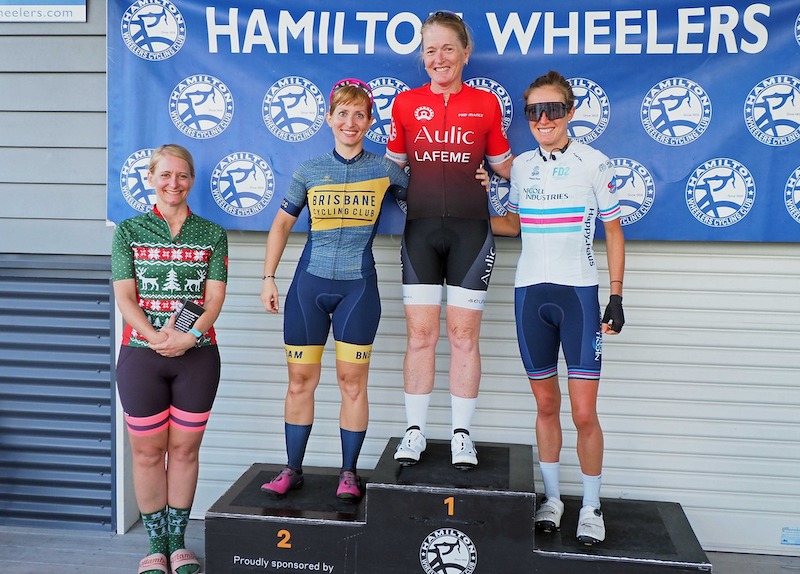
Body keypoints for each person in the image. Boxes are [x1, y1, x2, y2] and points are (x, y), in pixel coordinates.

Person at [490, 70, 625, 545]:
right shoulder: (521, 166)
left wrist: (616, 295)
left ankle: (591, 506)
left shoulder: (594, 163)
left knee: (584, 413)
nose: (543, 119)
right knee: (546, 405)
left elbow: (613, 231)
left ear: (570, 112)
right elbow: (512, 225)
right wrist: (465, 203)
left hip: (579, 297)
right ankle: (552, 499)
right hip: (530, 295)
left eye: (552, 110)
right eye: (534, 111)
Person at [260, 78, 408, 501]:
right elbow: (282, 224)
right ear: (329, 118)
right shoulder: (308, 170)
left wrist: (473, 181)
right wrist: (268, 277)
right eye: (342, 113)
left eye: (359, 115)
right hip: (308, 286)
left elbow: (429, 201)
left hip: (357, 289)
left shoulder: (385, 170)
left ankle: (349, 473)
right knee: (299, 381)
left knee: (352, 382)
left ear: (369, 122)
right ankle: (292, 469)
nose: (350, 122)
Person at [385, 10, 513, 470]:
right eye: (430, 50)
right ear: (422, 57)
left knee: (463, 336)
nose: (438, 58)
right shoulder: (405, 104)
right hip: (420, 231)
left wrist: (557, 171)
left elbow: (506, 166)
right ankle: (415, 431)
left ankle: (462, 435)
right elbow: (390, 169)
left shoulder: (486, 104)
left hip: (471, 233)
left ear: (465, 53)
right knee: (420, 335)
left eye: (447, 48)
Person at [112, 144, 228, 574]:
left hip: (198, 358)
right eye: (164, 175)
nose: (173, 183)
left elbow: (214, 298)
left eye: (181, 175)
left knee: (184, 450)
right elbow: (125, 296)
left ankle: (178, 544)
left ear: (192, 180)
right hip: (142, 357)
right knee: (146, 453)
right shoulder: (128, 231)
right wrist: (157, 338)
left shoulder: (212, 233)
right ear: (150, 178)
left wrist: (190, 336)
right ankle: (155, 547)